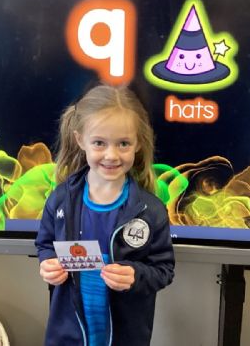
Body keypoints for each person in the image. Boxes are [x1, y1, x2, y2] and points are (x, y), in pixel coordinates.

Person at [35, 84, 175, 346]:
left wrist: (135, 275)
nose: (111, 155)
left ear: (137, 143)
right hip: (68, 335)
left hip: (126, 337)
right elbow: (45, 245)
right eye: (99, 143)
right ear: (80, 140)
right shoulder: (61, 200)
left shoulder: (151, 210)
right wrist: (48, 263)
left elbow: (163, 269)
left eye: (123, 143)